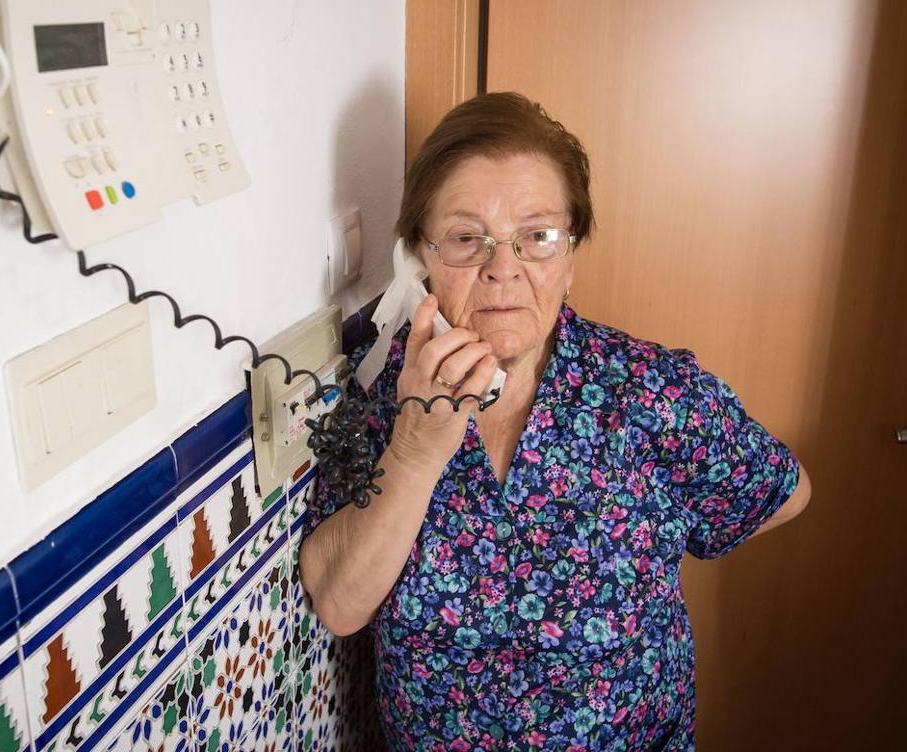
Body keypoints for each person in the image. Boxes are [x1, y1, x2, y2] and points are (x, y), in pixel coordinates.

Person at [298, 92, 811, 750]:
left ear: (570, 255)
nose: (502, 268)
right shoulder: (385, 392)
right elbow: (339, 605)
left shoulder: (655, 392)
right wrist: (415, 455)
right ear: (420, 258)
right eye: (465, 238)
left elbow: (784, 493)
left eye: (536, 237)